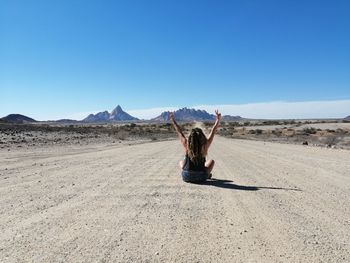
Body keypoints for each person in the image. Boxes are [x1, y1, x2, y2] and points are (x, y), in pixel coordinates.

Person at [170, 110, 222, 183]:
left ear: (190, 137)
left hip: (186, 176)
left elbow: (179, 132)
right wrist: (217, 120)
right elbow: (213, 131)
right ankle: (207, 175)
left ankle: (200, 174)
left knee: (181, 162)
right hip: (201, 177)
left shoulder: (187, 145)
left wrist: (173, 120)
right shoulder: (205, 145)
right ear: (202, 137)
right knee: (211, 161)